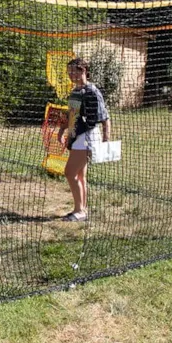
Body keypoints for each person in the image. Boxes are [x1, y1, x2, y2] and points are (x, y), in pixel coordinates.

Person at [57, 57, 111, 222]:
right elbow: (72, 114)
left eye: (75, 70)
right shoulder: (75, 91)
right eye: (69, 72)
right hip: (76, 135)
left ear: (84, 70)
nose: (72, 74)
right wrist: (62, 130)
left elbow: (105, 117)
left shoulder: (92, 91)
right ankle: (81, 210)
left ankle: (79, 211)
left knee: (70, 172)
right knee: (80, 175)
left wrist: (106, 139)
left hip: (87, 136)